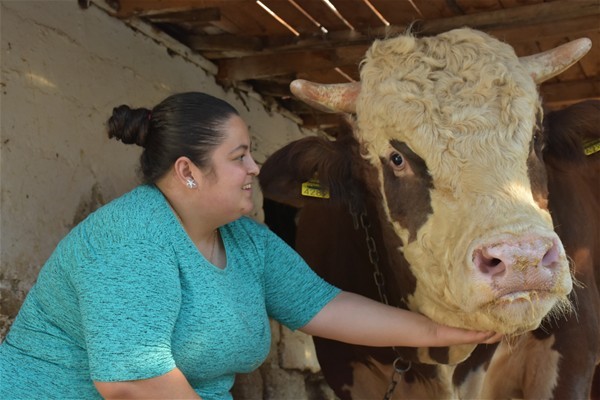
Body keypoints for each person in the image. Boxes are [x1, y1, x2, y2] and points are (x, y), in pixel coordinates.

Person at [0, 92, 501, 399]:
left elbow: (324, 305)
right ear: (187, 173)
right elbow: (133, 383)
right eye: (240, 156)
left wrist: (440, 330)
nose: (255, 169)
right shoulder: (128, 237)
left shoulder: (245, 241)